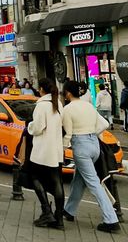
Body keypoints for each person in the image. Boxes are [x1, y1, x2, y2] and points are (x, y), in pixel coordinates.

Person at [62, 80, 120, 233]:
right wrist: (91, 134)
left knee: (94, 183)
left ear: (68, 93)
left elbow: (68, 134)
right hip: (94, 144)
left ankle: (111, 219)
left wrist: (61, 149)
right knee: (79, 179)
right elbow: (104, 124)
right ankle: (69, 210)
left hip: (80, 146)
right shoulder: (88, 105)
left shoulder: (67, 109)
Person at [27, 78, 64, 229]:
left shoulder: (41, 106)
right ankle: (59, 218)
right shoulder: (58, 103)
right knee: (57, 182)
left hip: (42, 150)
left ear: (41, 89)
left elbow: (37, 128)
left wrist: (29, 125)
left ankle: (46, 211)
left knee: (34, 177)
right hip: (56, 149)